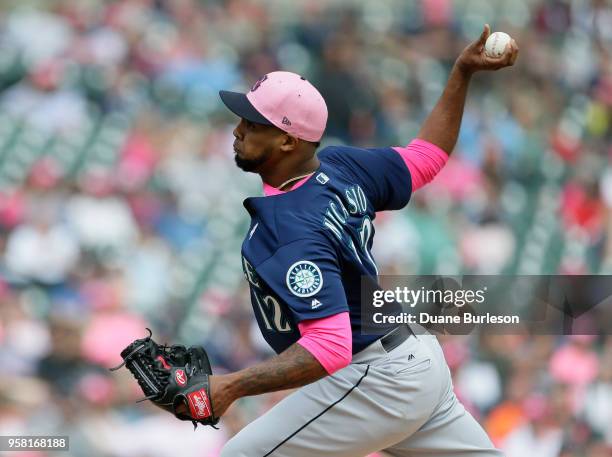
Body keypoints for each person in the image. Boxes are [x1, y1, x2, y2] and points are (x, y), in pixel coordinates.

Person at [201, 25, 517, 456]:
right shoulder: (340, 164)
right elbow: (427, 158)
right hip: (415, 357)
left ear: (288, 139)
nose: (238, 130)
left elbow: (330, 347)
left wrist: (231, 386)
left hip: (377, 374)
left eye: (254, 123)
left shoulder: (287, 224)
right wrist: (461, 72)